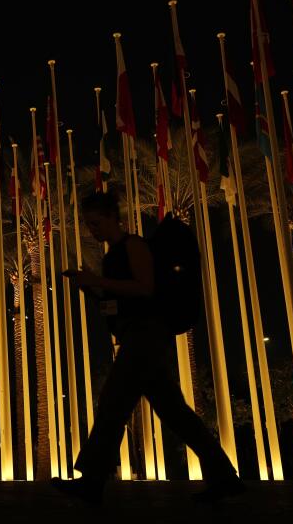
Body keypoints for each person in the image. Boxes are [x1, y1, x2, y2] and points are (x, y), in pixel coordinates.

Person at [54, 191, 244, 504]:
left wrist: (98, 282)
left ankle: (91, 481)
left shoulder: (134, 245)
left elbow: (145, 287)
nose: (93, 230)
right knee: (175, 413)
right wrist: (91, 287)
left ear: (113, 217)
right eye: (89, 225)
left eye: (96, 222)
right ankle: (224, 477)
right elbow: (118, 301)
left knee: (113, 403)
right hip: (135, 336)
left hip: (147, 336)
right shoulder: (112, 254)